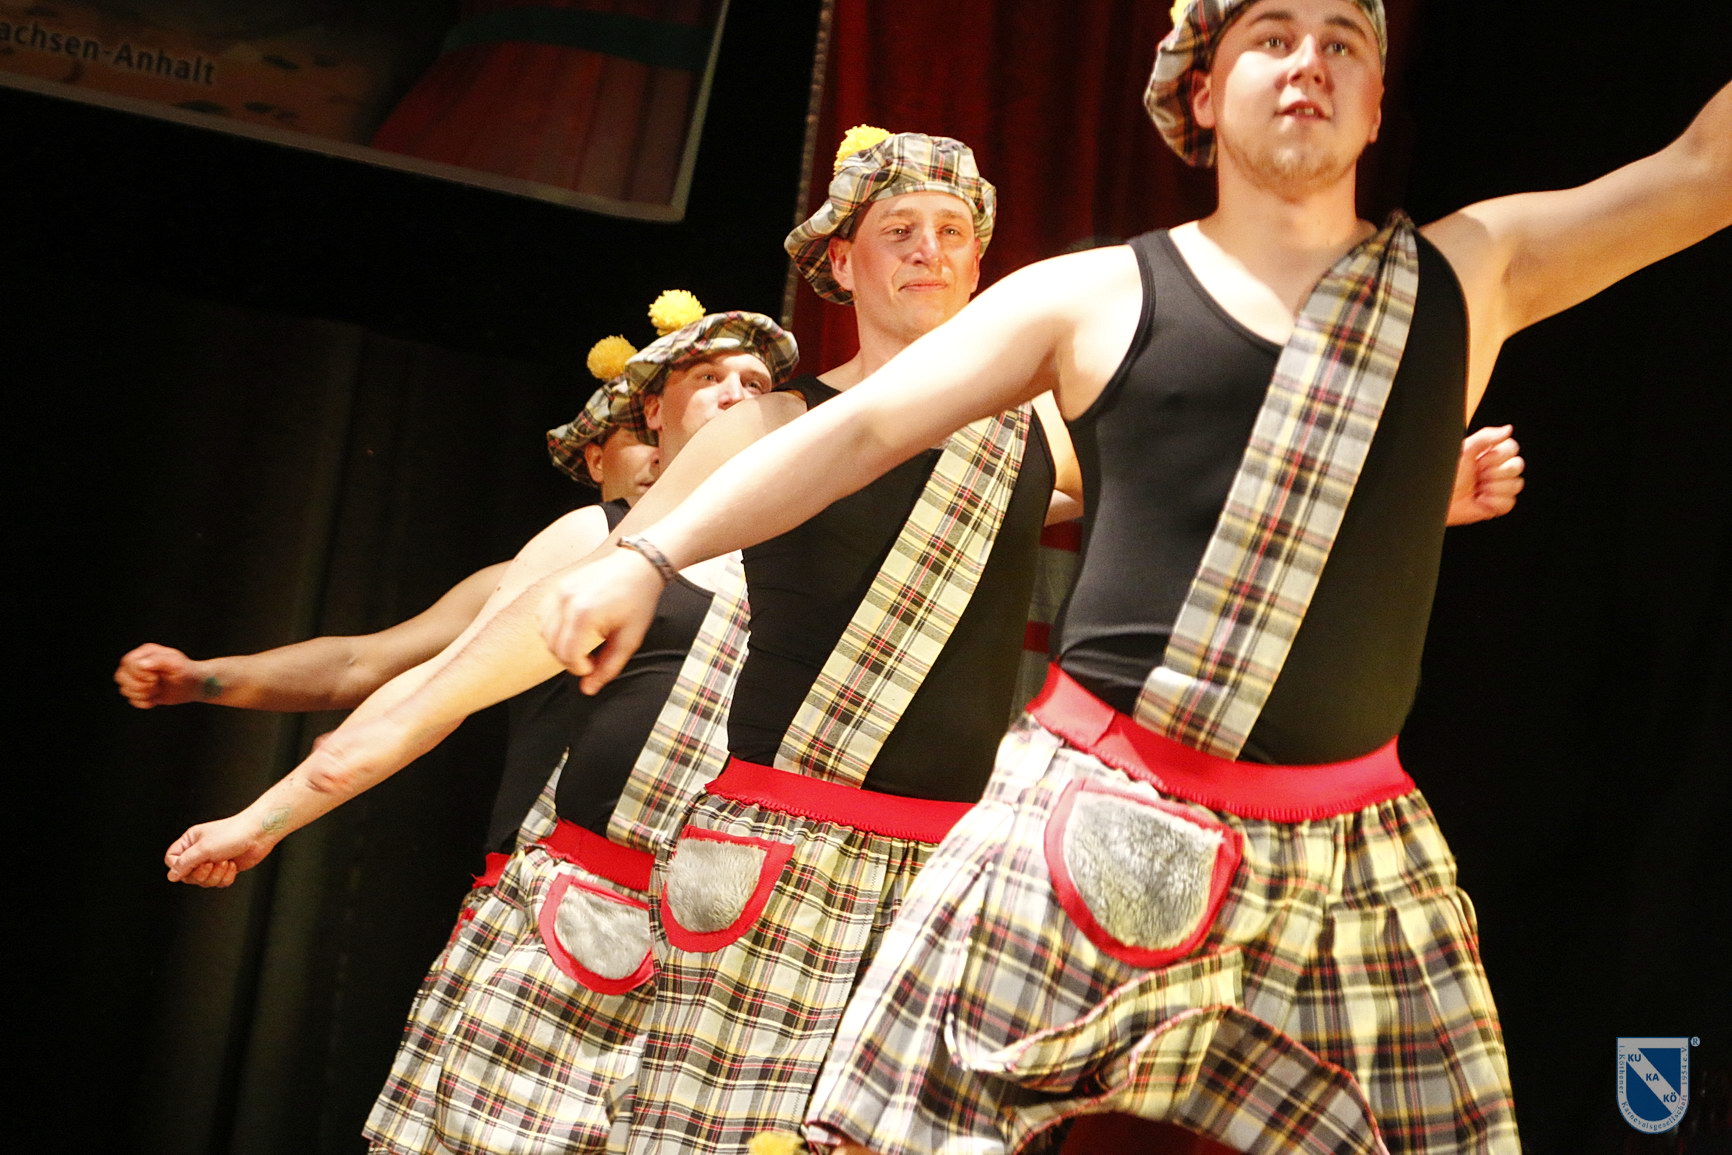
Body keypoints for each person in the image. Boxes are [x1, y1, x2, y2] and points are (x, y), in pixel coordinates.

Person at [167, 122, 1523, 1154]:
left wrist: (1419, 499)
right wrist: (274, 811)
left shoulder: (1034, 438)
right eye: (898, 229)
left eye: (953, 230)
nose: (929, 250)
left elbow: (1216, 517)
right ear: (838, 262)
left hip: (939, 886)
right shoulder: (769, 432)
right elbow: (472, 665)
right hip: (767, 873)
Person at [519, 3, 1729, 1151]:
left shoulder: (1472, 273)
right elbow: (857, 430)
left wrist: (1411, 493)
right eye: (1270, 36)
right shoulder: (1093, 294)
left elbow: (1700, 171)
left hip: (1349, 851)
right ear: (1201, 92)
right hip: (1090, 808)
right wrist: (648, 554)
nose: (1307, 60)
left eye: (1341, 41)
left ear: (1374, 104)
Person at [164, 307, 799, 1155]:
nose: (736, 395)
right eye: (709, 378)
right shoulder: (595, 538)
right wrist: (260, 805)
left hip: (721, 957)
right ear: (652, 410)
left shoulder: (797, 564)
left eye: (755, 383)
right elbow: (416, 682)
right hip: (573, 924)